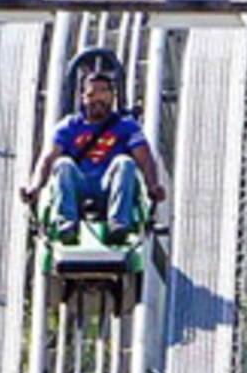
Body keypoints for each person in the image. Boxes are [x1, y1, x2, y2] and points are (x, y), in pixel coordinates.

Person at [19, 72, 167, 245]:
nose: (98, 100)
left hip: (110, 185)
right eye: (91, 94)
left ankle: (118, 225)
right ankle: (66, 225)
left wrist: (153, 186)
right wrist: (35, 188)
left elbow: (145, 158)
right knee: (63, 164)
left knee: (124, 162)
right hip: (79, 186)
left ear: (112, 97)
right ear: (83, 98)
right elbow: (48, 159)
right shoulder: (69, 126)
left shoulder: (127, 127)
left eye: (103, 93)